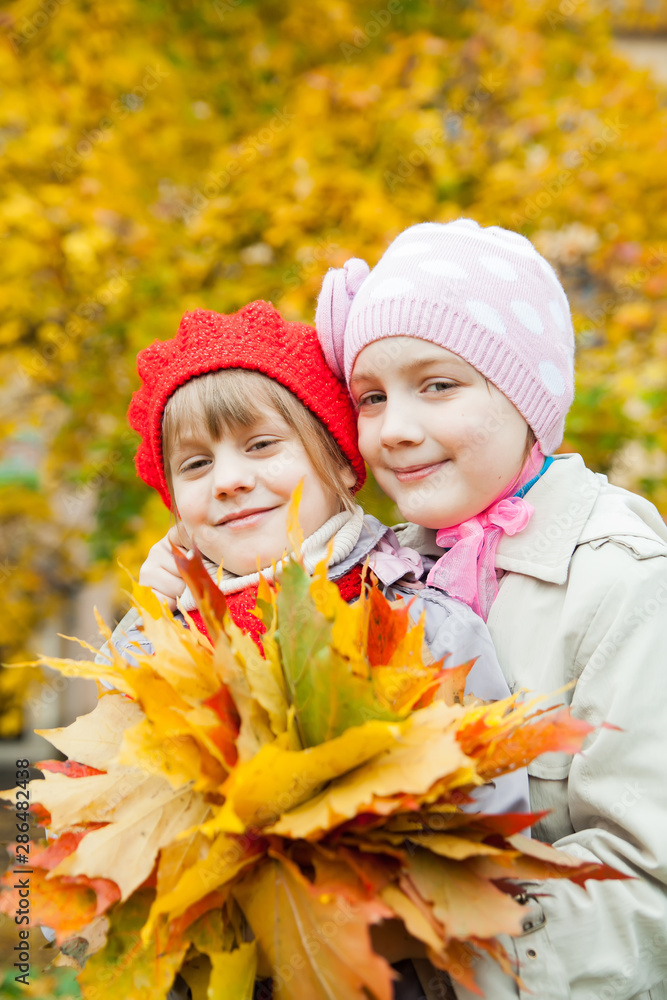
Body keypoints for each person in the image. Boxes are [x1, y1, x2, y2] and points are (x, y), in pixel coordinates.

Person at [107, 298, 529, 1000]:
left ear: (337, 461)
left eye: (261, 445)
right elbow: (79, 821)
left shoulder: (416, 622)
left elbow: (491, 830)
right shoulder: (151, 640)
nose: (230, 479)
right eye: (196, 463)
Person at [315, 218, 667, 1000]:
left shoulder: (622, 584)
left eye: (437, 385)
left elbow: (649, 888)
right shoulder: (378, 573)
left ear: (524, 395)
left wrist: (423, 941)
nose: (396, 431)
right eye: (370, 398)